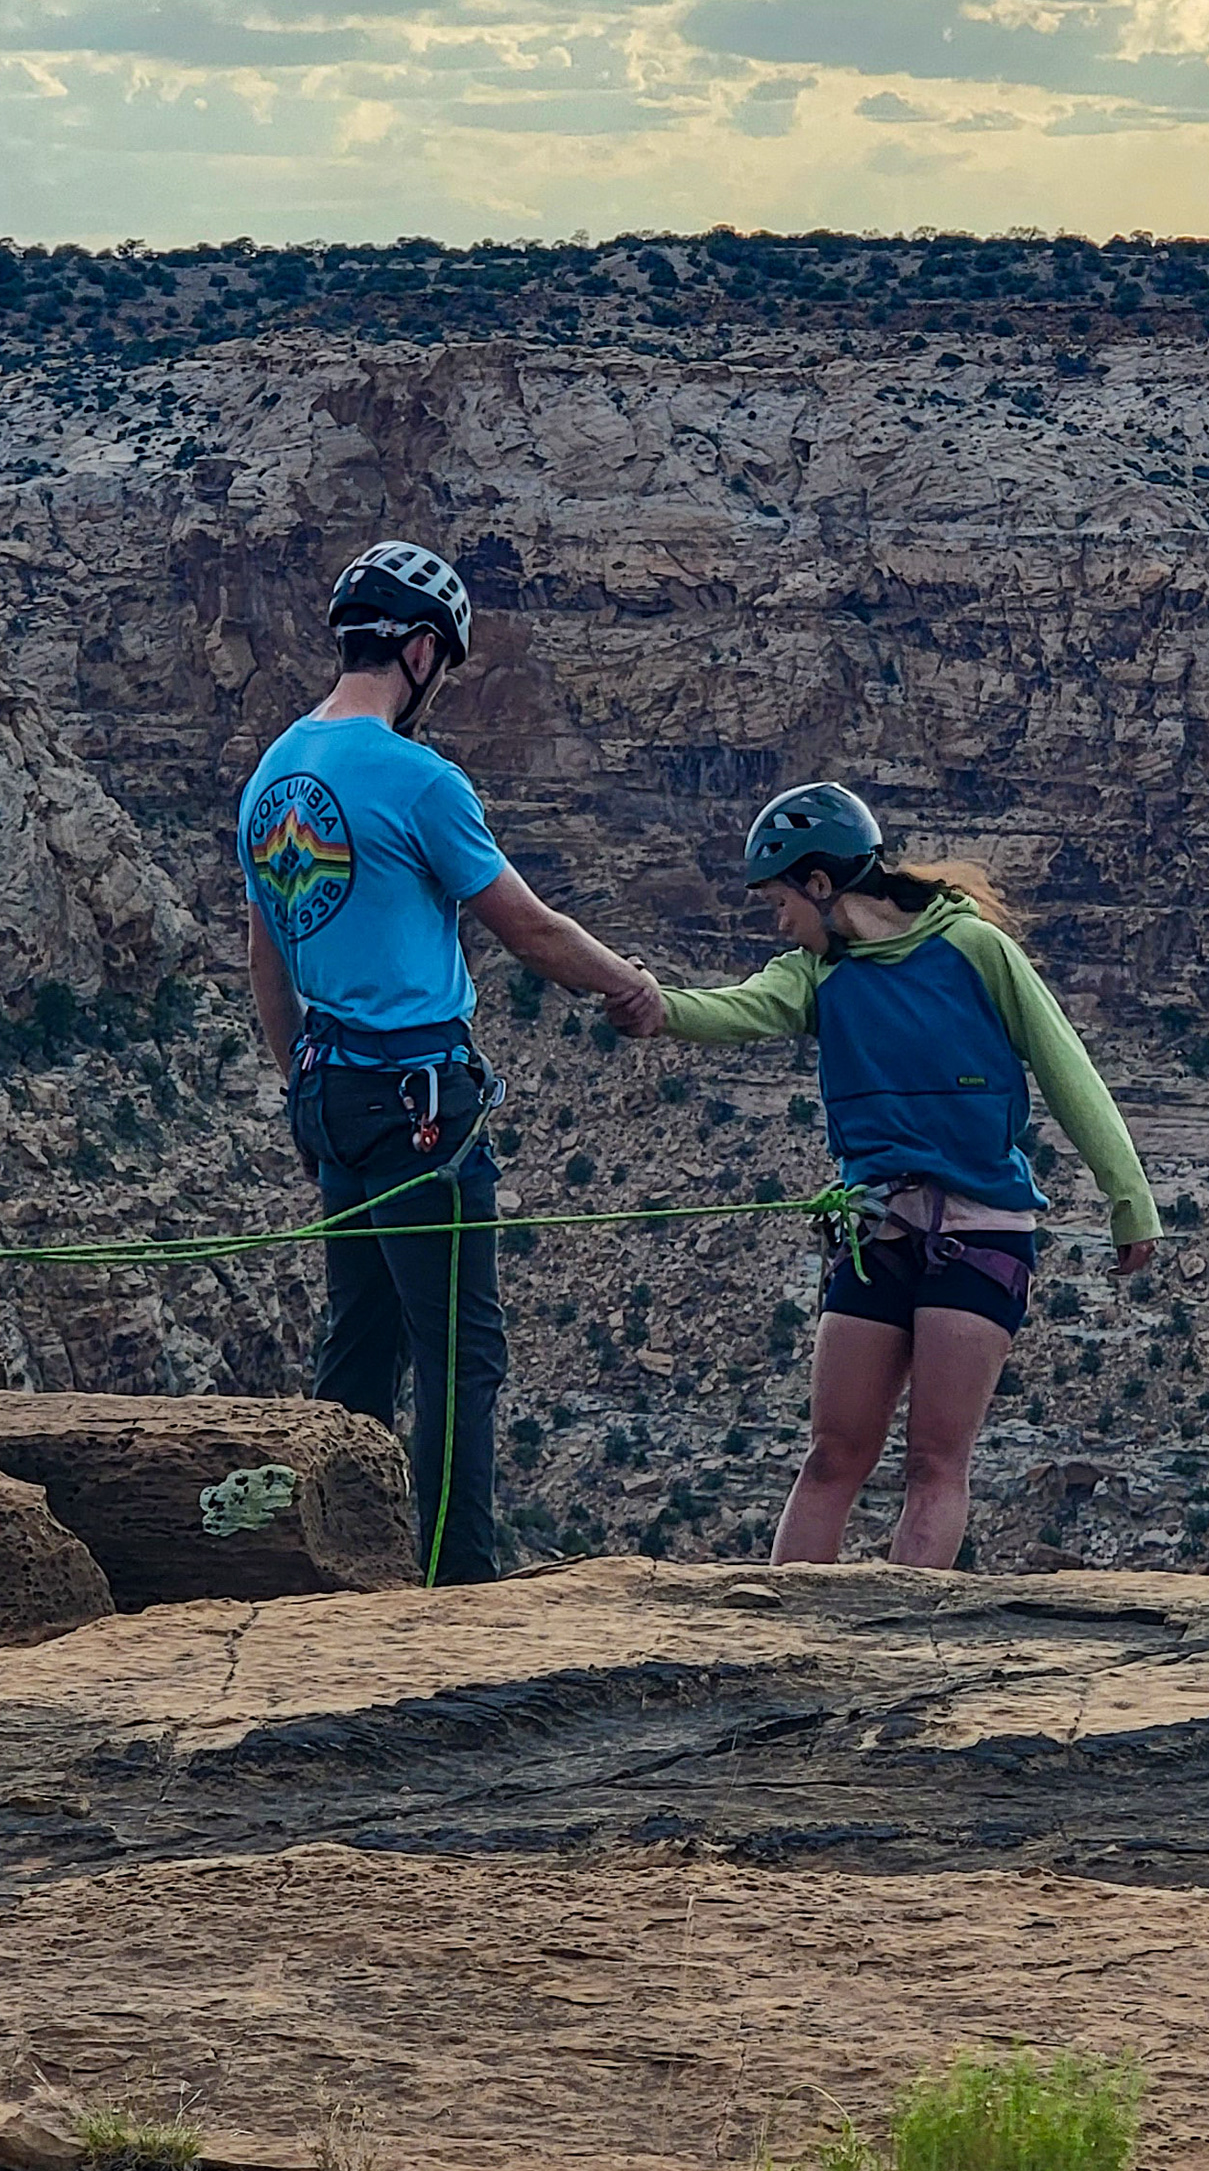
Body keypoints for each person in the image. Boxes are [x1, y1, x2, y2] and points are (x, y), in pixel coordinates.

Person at [238, 539, 666, 1586]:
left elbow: (264, 960)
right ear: (422, 649)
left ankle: (323, 1569)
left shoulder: (271, 773)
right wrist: (628, 985)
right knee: (457, 1356)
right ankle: (454, 1590)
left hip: (330, 1090)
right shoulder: (418, 780)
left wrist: (302, 1090)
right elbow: (527, 929)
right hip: (422, 1097)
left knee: (359, 1344)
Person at [645, 782, 1157, 1570]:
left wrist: (1130, 1200)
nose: (775, 920)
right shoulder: (813, 975)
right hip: (874, 1232)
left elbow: (1065, 1068)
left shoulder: (975, 949)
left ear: (821, 885)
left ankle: (897, 1654)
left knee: (933, 1464)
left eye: (779, 899)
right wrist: (649, 1001)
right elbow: (729, 1011)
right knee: (833, 1455)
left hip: (981, 1230)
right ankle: (776, 1642)